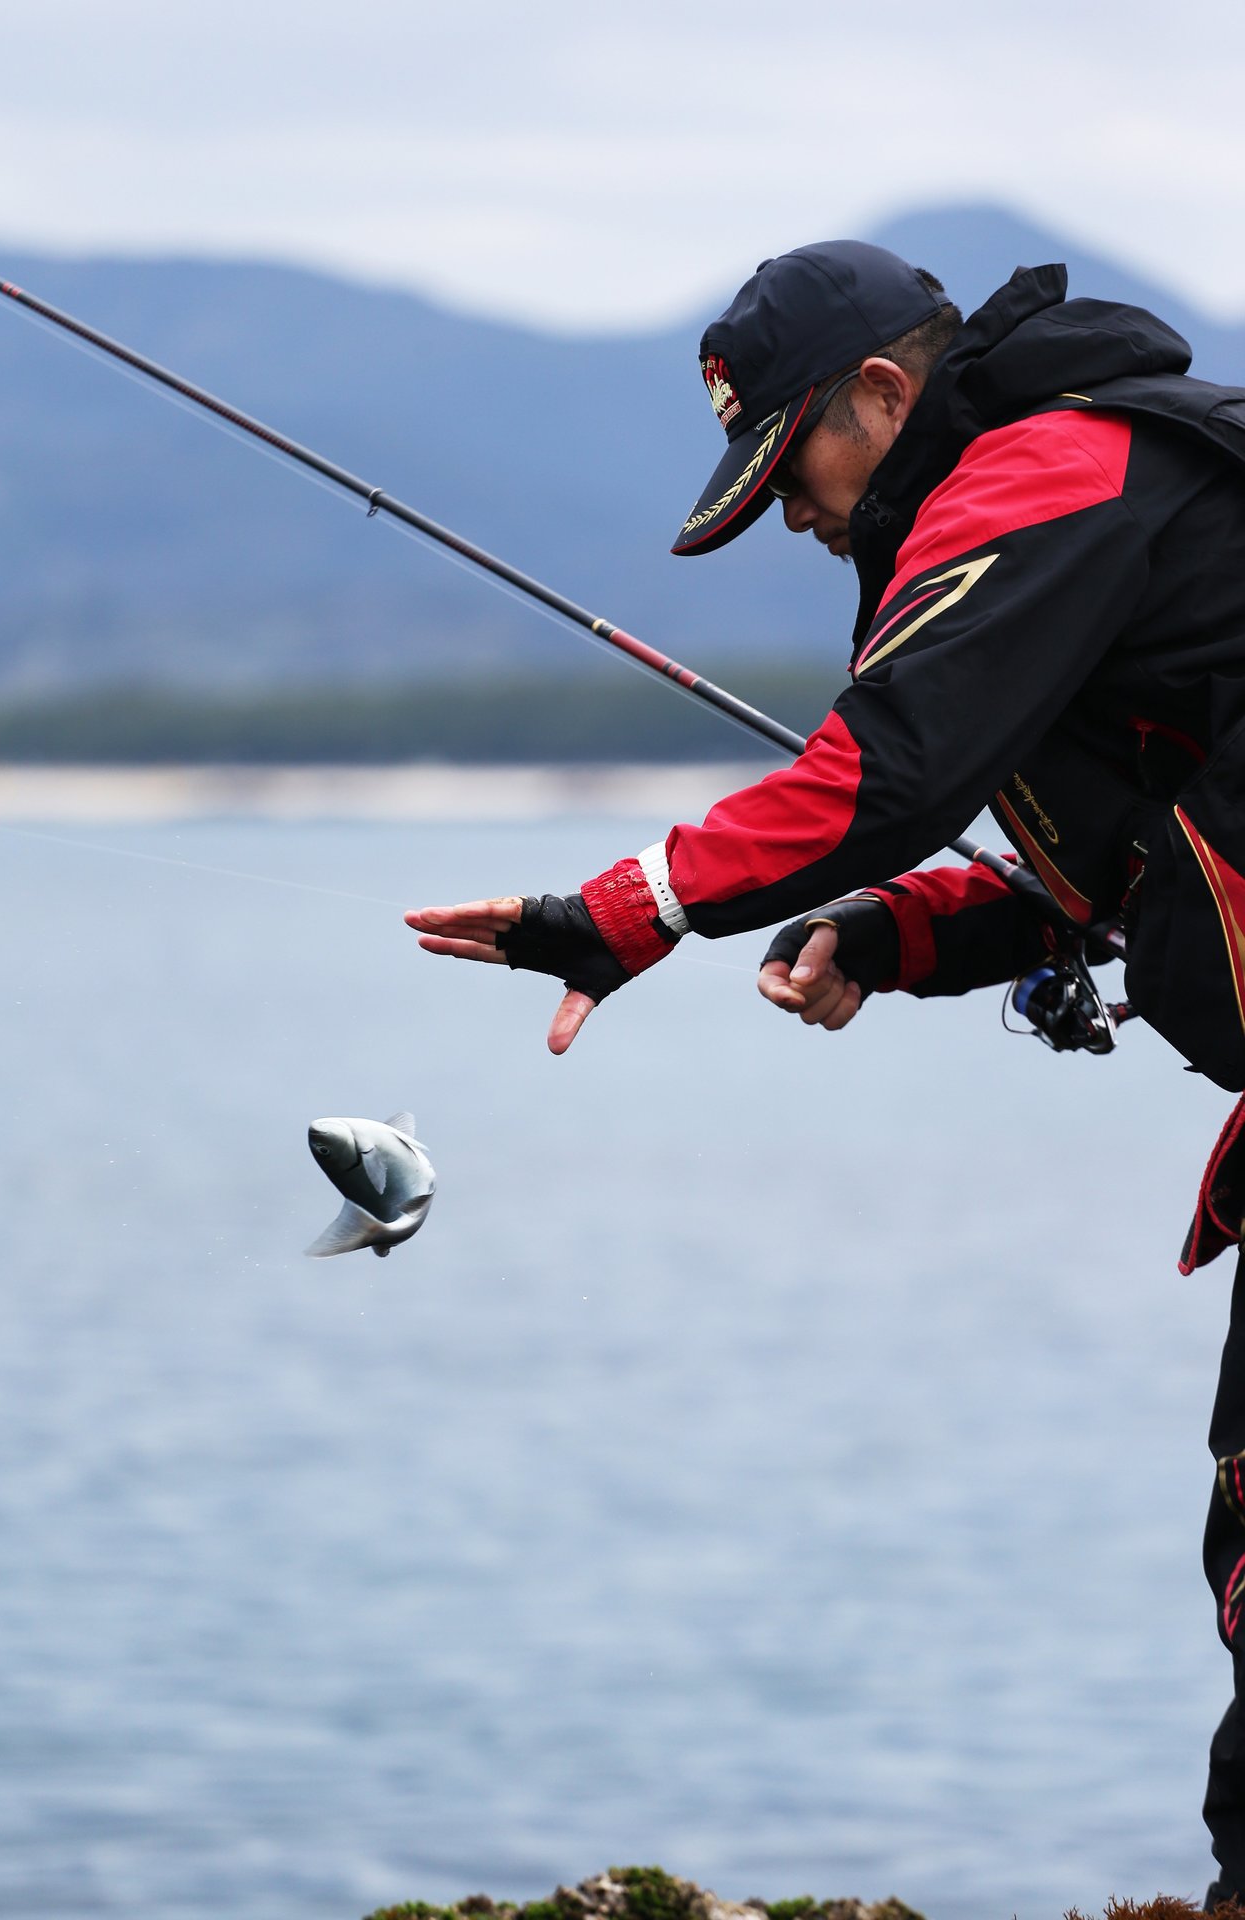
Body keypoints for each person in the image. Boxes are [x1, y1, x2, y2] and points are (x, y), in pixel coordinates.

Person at [406, 239, 1245, 1905]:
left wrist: (628, 913)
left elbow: (897, 763)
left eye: (795, 468)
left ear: (886, 390)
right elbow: (1092, 877)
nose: (793, 514)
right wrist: (884, 936)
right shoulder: (1055, 508)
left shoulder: (1056, 464)